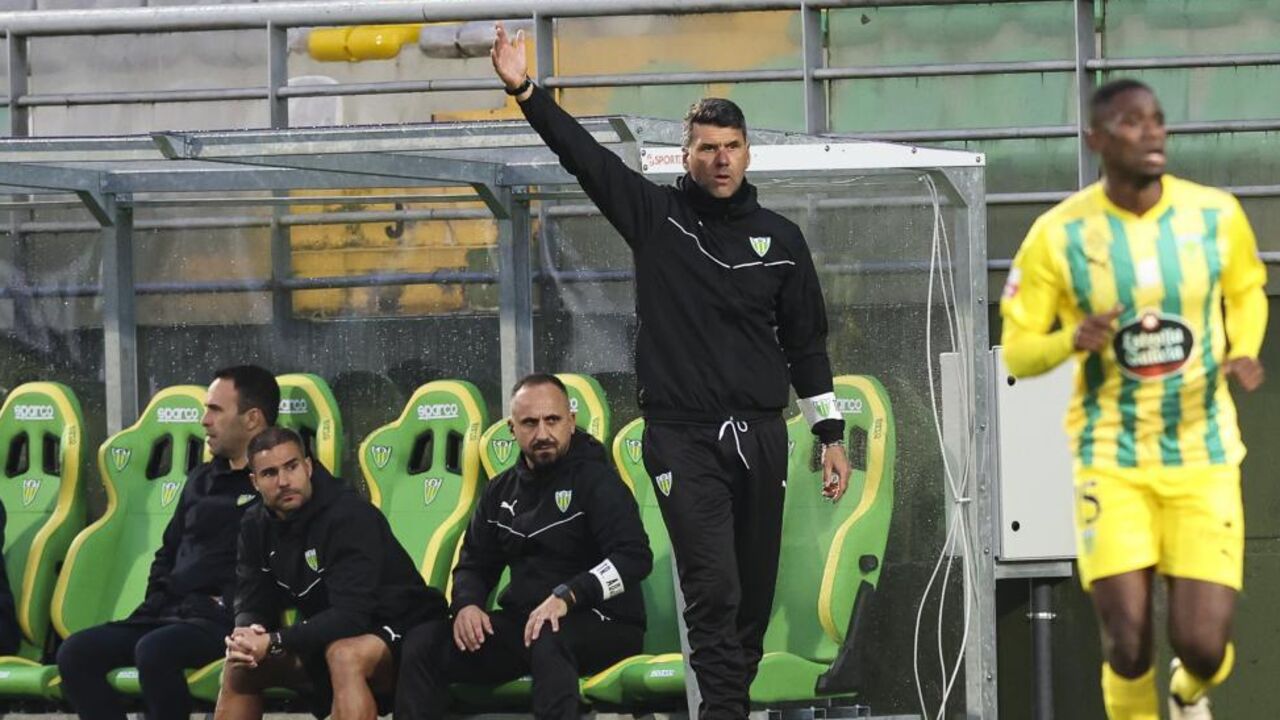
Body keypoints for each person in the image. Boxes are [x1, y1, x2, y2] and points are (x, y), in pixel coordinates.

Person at [489, 23, 851, 719]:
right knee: (713, 587)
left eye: (731, 146)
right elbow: (587, 160)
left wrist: (830, 435)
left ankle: (728, 703)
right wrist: (526, 91)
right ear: (685, 156)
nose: (721, 159)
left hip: (762, 433)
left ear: (748, 152)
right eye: (707, 148)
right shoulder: (657, 218)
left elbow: (806, 345)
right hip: (682, 437)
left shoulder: (782, 239)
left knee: (751, 594)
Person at [1001, 78, 1266, 720]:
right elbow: (1018, 351)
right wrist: (1070, 339)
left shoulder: (1215, 215)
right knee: (1126, 642)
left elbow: (1246, 290)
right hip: (1110, 460)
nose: (1151, 132)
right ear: (1095, 139)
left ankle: (1188, 692)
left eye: (1158, 119)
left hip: (1202, 457)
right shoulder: (1057, 235)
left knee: (1203, 645)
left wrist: (1244, 347)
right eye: (1131, 122)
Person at [395, 373, 652, 720]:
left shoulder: (598, 481)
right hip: (527, 624)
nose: (542, 433)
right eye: (530, 423)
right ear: (512, 429)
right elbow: (474, 563)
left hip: (604, 622)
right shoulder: (499, 491)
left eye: (552, 420)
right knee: (425, 642)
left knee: (549, 634)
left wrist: (568, 595)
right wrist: (468, 605)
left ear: (571, 421)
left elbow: (633, 557)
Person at [56, 365, 279, 720]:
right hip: (169, 612)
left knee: (155, 651)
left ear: (252, 418)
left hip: (225, 621)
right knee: (75, 653)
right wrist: (157, 598)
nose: (204, 420)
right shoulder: (200, 479)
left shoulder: (277, 484)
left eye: (215, 410)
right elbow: (168, 551)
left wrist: (233, 604)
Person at [216, 426, 447, 720]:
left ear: (308, 467)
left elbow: (352, 616)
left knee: (344, 655)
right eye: (270, 473)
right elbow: (251, 598)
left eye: (291, 467)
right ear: (255, 482)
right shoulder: (255, 525)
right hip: (327, 634)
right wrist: (246, 634)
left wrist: (275, 641)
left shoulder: (348, 515)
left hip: (403, 626)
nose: (284, 481)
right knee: (240, 667)